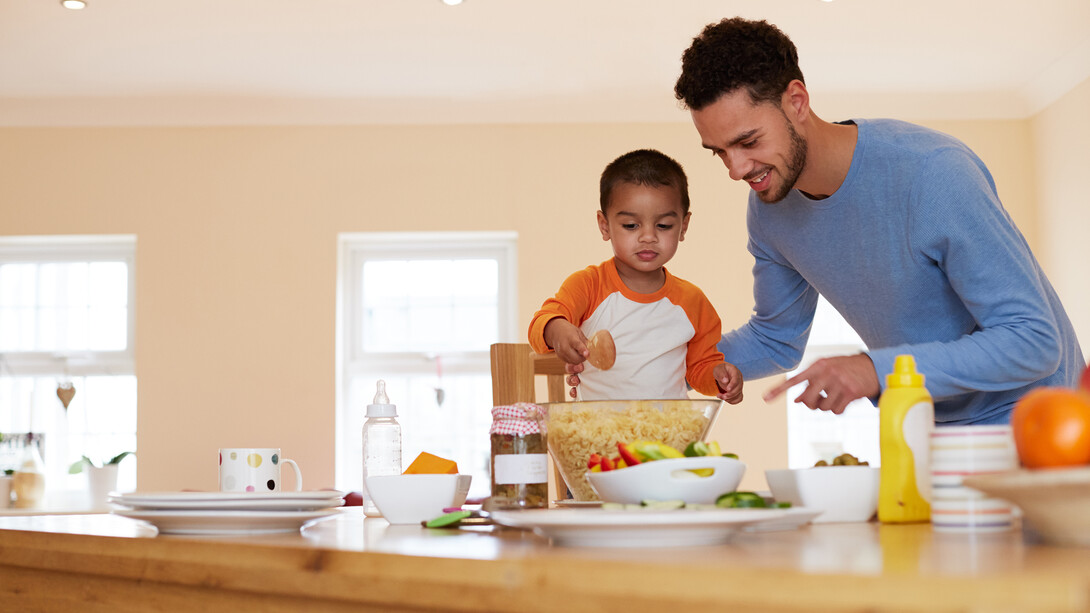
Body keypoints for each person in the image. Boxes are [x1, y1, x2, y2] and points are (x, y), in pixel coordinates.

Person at [668, 17, 1084, 424]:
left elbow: (1034, 340)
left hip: (1039, 422)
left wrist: (874, 369)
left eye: (748, 141)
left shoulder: (933, 173)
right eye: (719, 151)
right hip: (928, 427)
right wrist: (662, 360)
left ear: (796, 101)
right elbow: (776, 339)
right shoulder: (769, 209)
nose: (736, 169)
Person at [528, 149, 744, 403]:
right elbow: (541, 323)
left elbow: (699, 368)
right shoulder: (589, 285)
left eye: (663, 225)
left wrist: (719, 377)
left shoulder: (692, 301)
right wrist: (556, 329)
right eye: (631, 226)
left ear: (683, 226)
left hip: (669, 436)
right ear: (604, 225)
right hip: (599, 435)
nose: (648, 237)